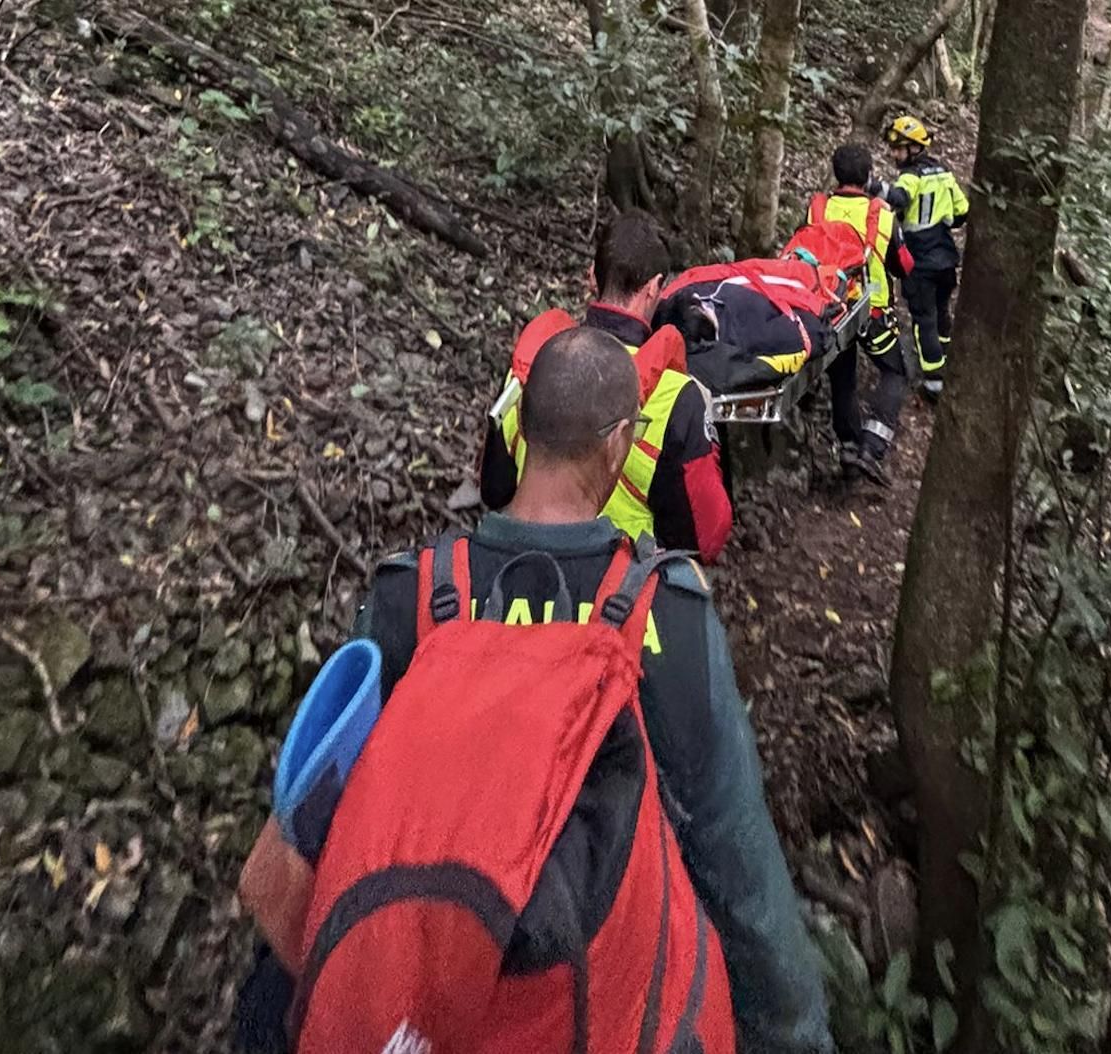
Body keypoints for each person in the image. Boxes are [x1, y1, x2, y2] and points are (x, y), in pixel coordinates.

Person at [259, 327, 828, 1053]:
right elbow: (732, 849)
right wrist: (793, 1031)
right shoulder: (667, 611)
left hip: (412, 998)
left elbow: (321, 827)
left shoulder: (412, 595)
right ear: (619, 445)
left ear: (522, 427)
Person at [480, 210, 733, 562]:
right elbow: (706, 535)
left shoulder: (534, 364)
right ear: (654, 287)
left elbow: (495, 489)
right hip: (622, 592)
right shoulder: (677, 396)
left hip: (523, 568)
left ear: (592, 278)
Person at [804, 142, 915, 484]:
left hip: (832, 308)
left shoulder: (818, 208)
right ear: (868, 177)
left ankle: (850, 448)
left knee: (843, 379)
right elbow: (903, 265)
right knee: (896, 371)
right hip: (872, 312)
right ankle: (873, 445)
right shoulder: (880, 213)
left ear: (836, 176)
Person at [877, 114, 969, 402]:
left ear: (914, 149)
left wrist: (874, 188)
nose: (894, 154)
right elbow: (962, 213)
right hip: (945, 256)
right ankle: (945, 360)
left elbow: (900, 198)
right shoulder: (943, 172)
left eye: (898, 148)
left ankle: (933, 382)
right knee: (941, 312)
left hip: (920, 261)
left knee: (924, 319)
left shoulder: (910, 176)